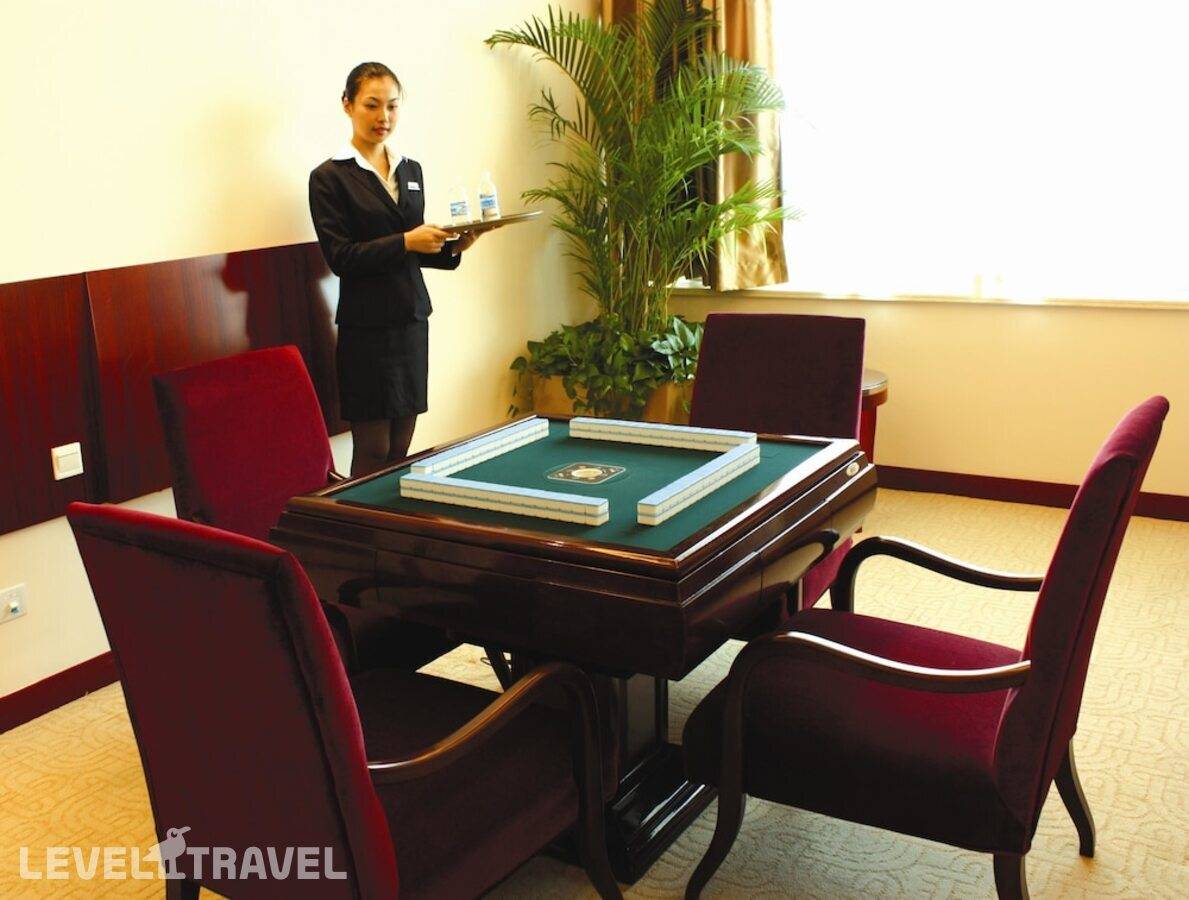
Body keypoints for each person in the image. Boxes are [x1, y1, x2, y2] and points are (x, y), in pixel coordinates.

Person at [309, 62, 480, 476]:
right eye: (371, 105)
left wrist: (454, 247)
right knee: (373, 449)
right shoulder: (329, 177)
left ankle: (391, 519)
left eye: (392, 106)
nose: (383, 117)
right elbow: (341, 257)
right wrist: (406, 240)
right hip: (366, 329)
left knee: (401, 449)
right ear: (347, 105)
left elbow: (414, 249)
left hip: (411, 322)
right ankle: (358, 519)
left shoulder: (410, 169)